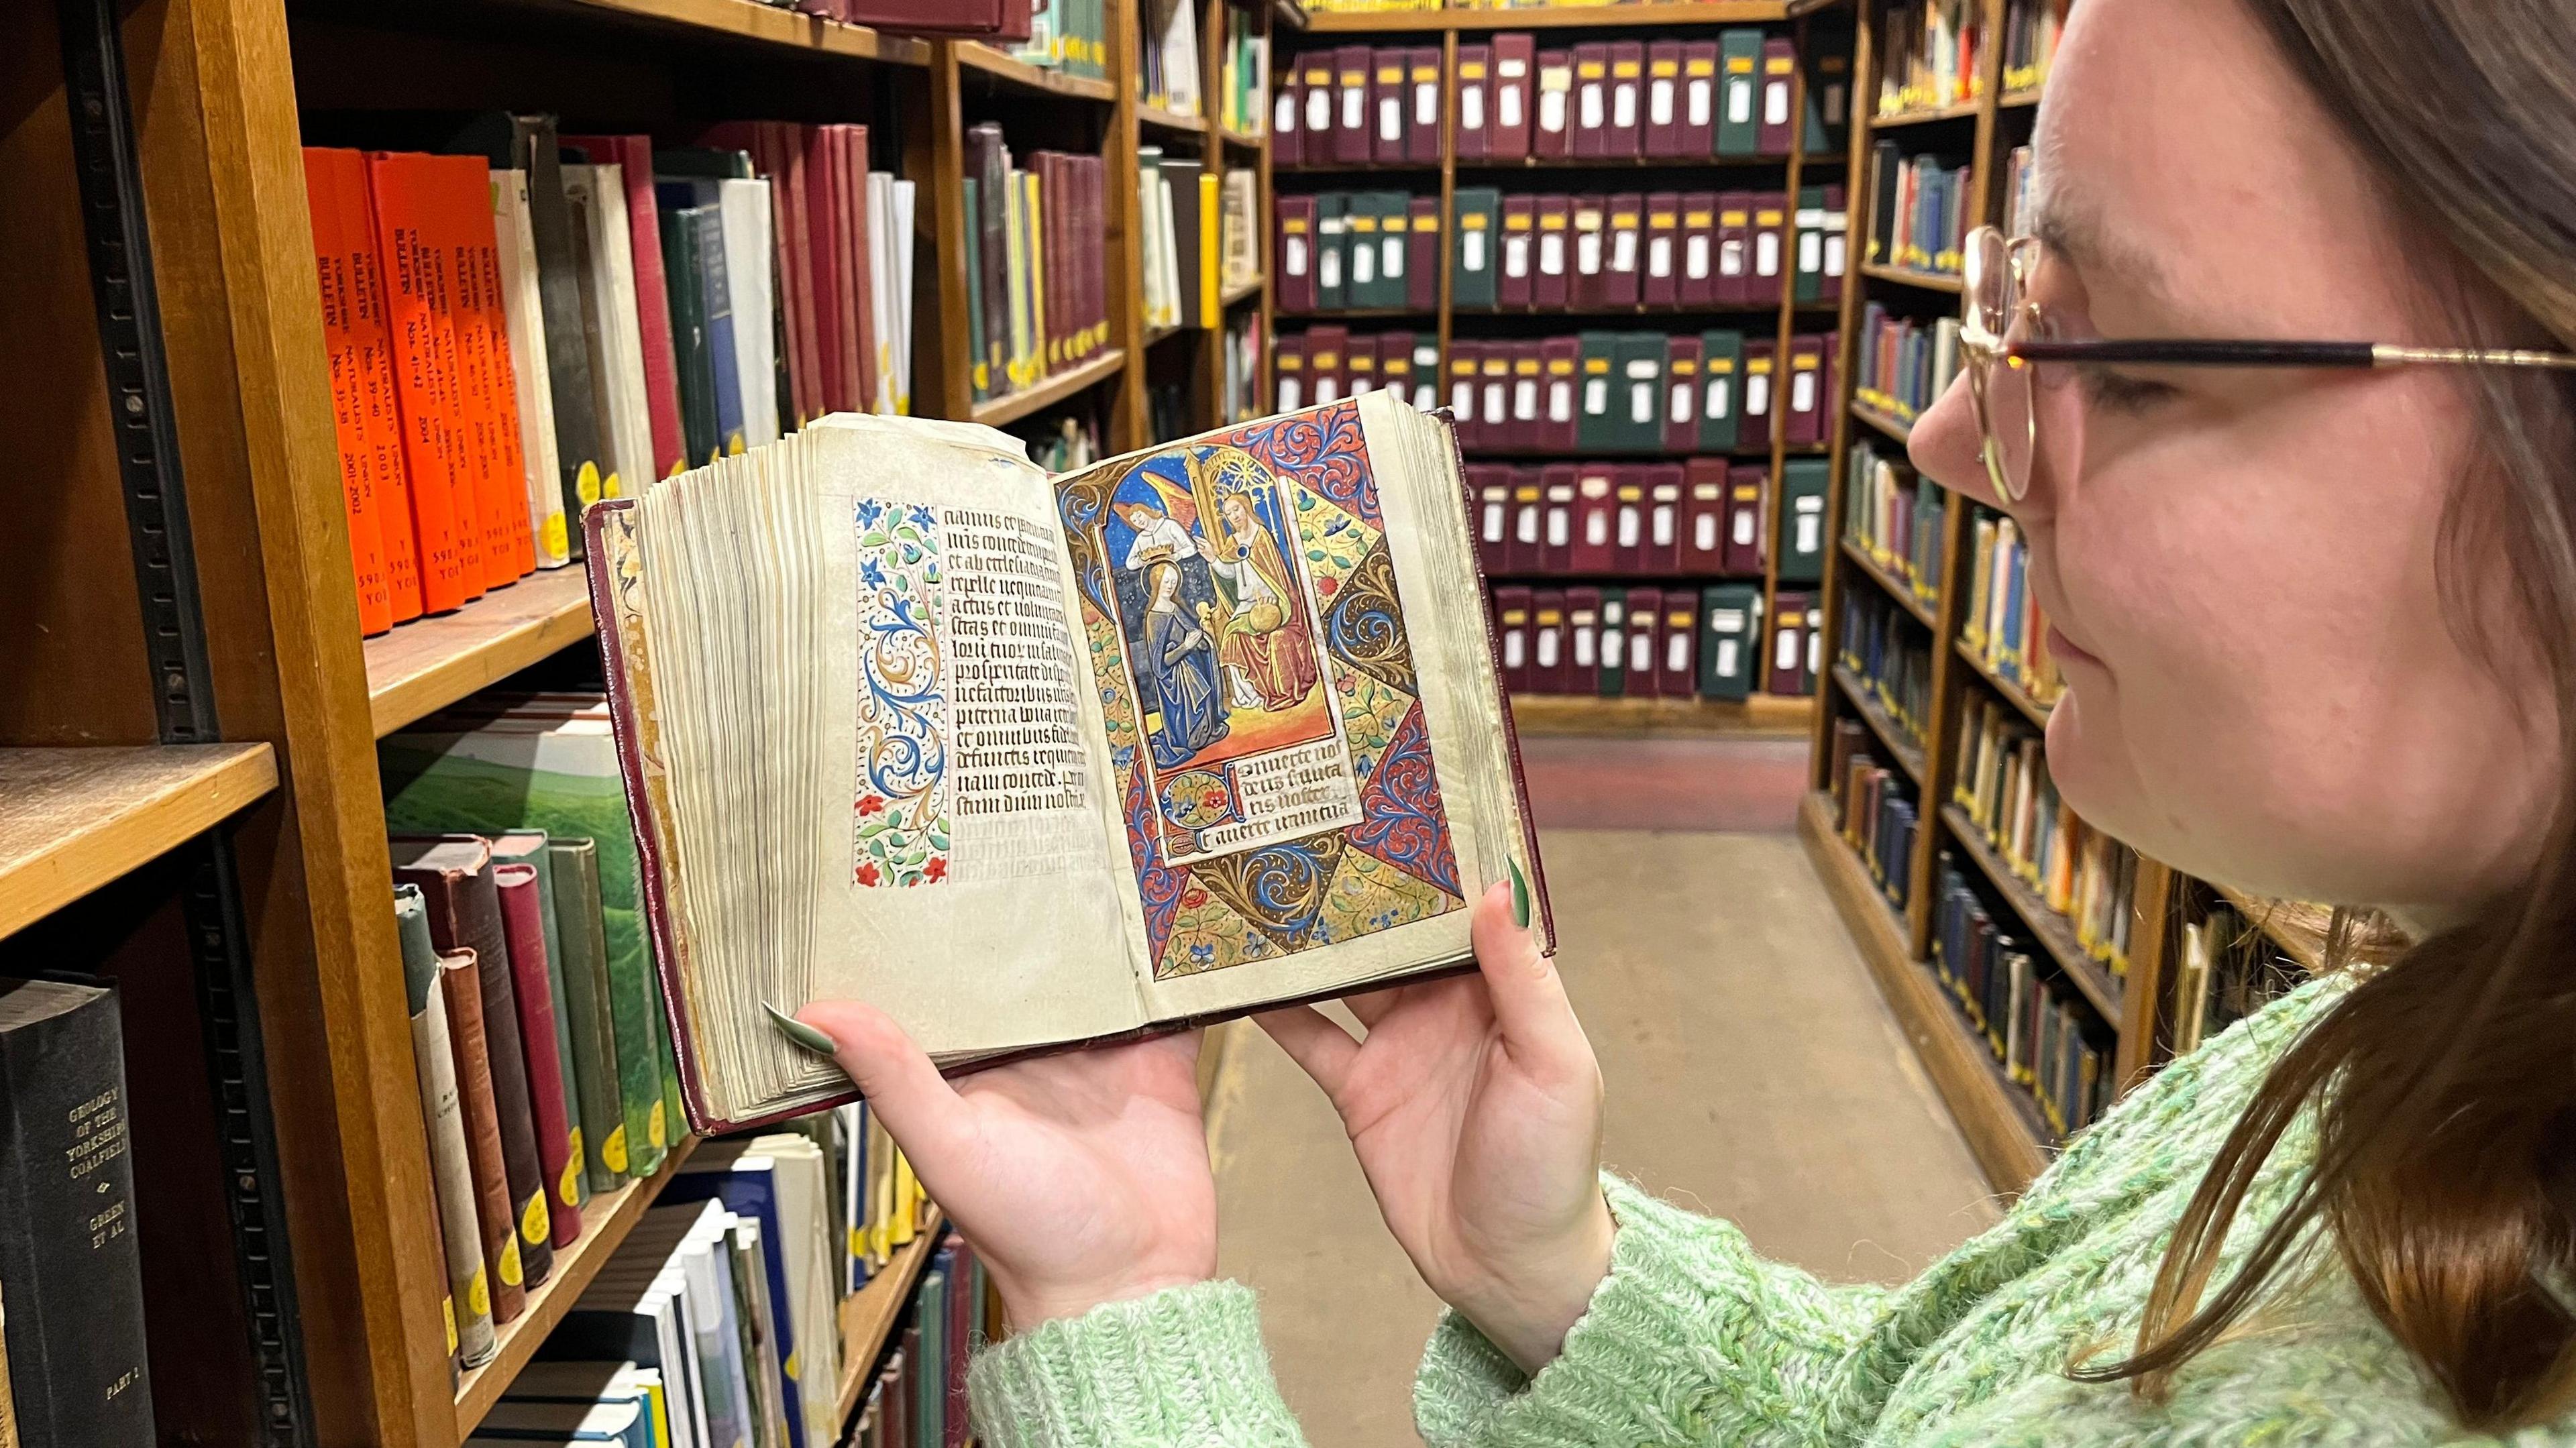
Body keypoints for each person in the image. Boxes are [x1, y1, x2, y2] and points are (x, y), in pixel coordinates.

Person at [797, 1, 2576, 1441]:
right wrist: (1562, 1267)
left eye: (2118, 354)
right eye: (2002, 313)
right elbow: (1937, 1414)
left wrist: (1117, 1325)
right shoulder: (2407, 1042)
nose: (1947, 445)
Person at [1208, 489, 1322, 712]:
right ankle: (1251, 697)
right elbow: (1230, 574)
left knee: (1277, 638)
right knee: (1232, 638)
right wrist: (1213, 559)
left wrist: (1274, 596)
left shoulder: (1261, 536)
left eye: (1236, 509)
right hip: (1247, 606)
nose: (1234, 516)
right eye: (1229, 514)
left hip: (1276, 602)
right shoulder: (1232, 542)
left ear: (1246, 508)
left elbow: (1276, 574)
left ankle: (1284, 690)